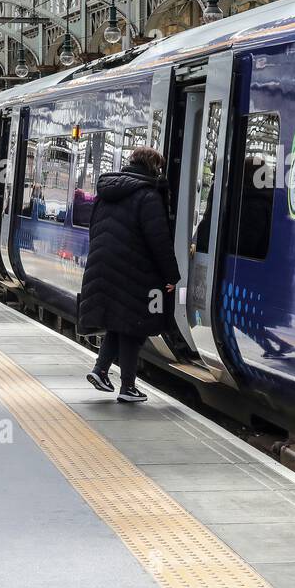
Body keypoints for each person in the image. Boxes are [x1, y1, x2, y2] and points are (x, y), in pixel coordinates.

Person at [77, 146, 180, 404]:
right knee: (135, 326)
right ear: (153, 168)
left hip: (103, 265)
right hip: (134, 271)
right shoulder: (148, 196)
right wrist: (171, 276)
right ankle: (127, 387)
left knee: (119, 322)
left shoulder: (107, 191)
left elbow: (94, 230)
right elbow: (159, 241)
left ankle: (100, 371)